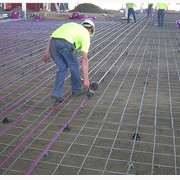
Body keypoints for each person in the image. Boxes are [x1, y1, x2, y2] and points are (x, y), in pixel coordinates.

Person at [42, 20, 95, 103]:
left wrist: (47, 52)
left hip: (53, 43)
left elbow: (52, 36)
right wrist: (86, 80)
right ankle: (77, 89)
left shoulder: (71, 25)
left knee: (62, 68)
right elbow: (84, 59)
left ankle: (57, 94)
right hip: (66, 44)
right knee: (74, 67)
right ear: (91, 31)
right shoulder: (86, 34)